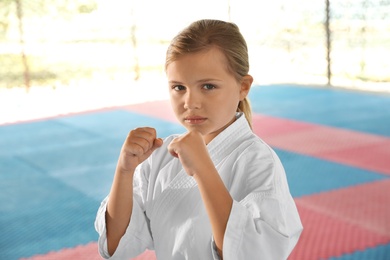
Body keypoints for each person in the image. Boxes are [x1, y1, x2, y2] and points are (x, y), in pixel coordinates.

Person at [95, 19, 302, 260]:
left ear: (243, 87)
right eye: (179, 87)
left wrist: (203, 169)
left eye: (208, 86)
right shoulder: (161, 154)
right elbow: (117, 244)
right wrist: (124, 170)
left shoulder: (257, 161)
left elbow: (253, 253)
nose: (190, 102)